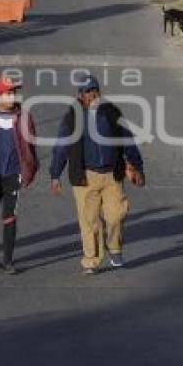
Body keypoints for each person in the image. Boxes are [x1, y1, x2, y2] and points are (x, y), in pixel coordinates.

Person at [49, 73, 145, 275]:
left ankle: (115, 248)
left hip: (112, 174)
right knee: (89, 220)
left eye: (94, 90)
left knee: (117, 214)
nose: (92, 95)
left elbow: (127, 139)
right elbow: (61, 147)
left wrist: (137, 165)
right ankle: (91, 261)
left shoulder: (110, 113)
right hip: (85, 176)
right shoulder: (72, 118)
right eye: (87, 92)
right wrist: (55, 174)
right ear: (80, 95)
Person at [0, 77, 38, 274]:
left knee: (10, 216)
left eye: (14, 92)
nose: (12, 96)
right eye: (7, 93)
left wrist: (29, 168)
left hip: (13, 174)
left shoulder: (23, 116)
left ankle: (8, 260)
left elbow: (31, 144)